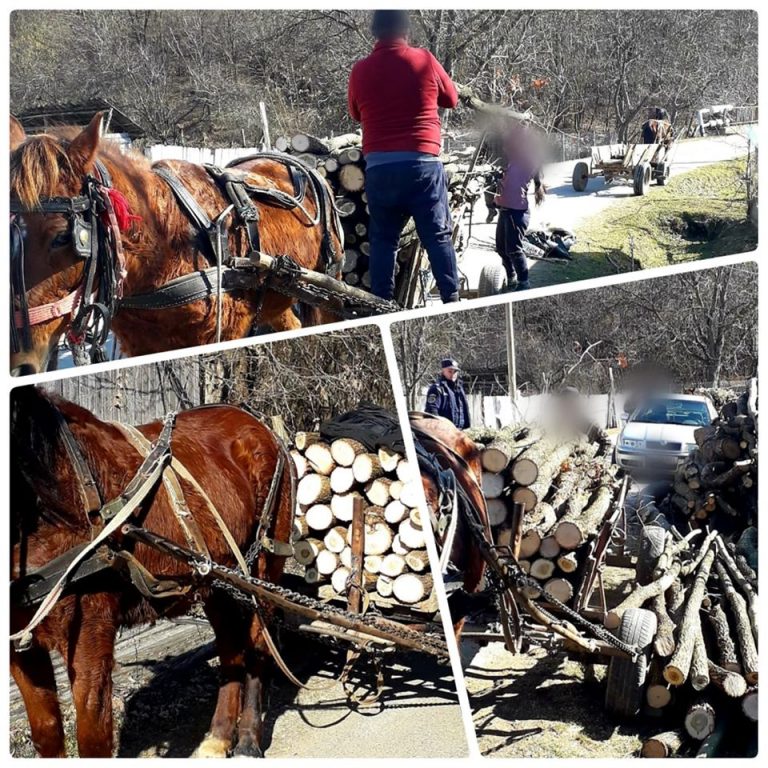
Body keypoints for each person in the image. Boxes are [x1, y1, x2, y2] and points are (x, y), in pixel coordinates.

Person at [348, 10, 460, 304]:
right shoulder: (424, 60)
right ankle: (452, 297)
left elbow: (355, 113)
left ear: (375, 32)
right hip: (422, 165)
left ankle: (381, 304)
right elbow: (451, 99)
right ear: (405, 30)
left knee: (384, 240)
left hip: (380, 169)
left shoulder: (360, 70)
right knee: (436, 236)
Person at [494, 122, 546, 291]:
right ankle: (511, 277)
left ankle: (524, 283)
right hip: (505, 210)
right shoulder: (513, 162)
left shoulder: (527, 161)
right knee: (501, 248)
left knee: (514, 249)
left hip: (517, 212)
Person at [425, 358, 470, 429]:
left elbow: (464, 410)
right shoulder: (437, 389)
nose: (453, 374)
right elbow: (432, 411)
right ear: (443, 372)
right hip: (444, 432)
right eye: (450, 371)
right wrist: (439, 428)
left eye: (455, 372)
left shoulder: (459, 388)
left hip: (459, 431)